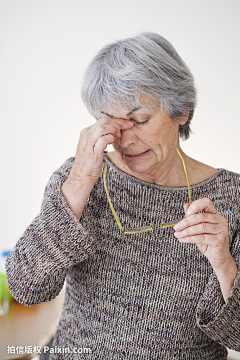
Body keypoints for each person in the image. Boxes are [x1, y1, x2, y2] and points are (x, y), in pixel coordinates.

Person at [6, 32, 240, 359]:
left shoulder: (232, 198)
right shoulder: (79, 178)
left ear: (182, 111)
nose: (125, 140)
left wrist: (224, 264)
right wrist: (79, 183)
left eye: (140, 120)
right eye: (111, 122)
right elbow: (25, 287)